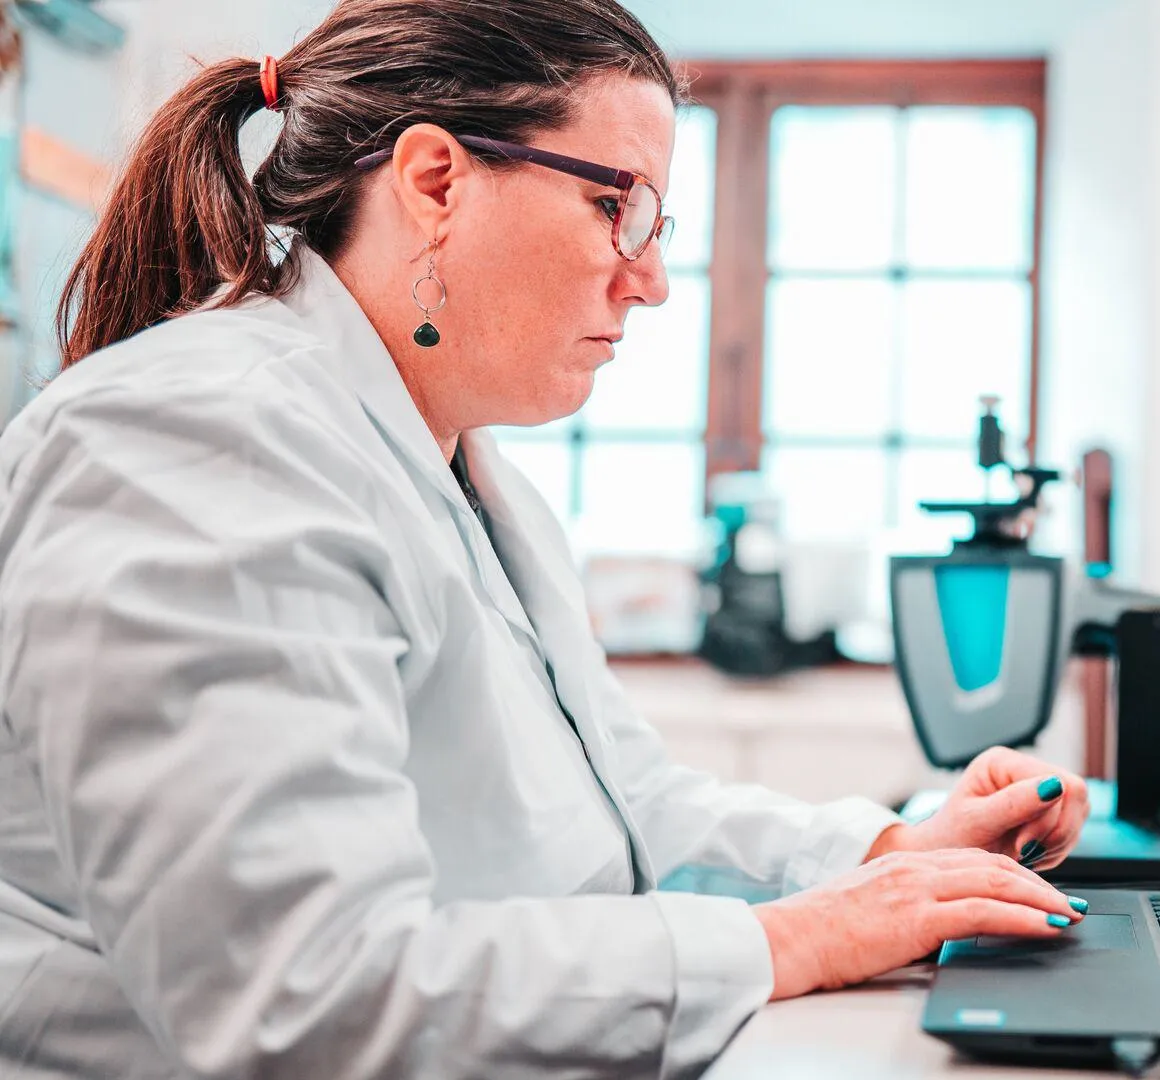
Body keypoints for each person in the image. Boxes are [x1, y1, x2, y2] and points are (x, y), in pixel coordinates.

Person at [0, 1, 1090, 1077]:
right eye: (622, 209)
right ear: (435, 182)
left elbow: (620, 811)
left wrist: (888, 854)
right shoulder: (198, 442)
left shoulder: (470, 475)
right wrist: (799, 935)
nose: (651, 280)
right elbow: (306, 995)